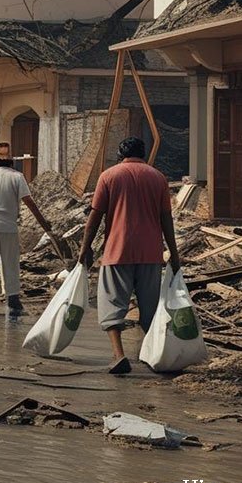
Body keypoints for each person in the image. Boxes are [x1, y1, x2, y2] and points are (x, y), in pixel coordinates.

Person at [77, 137, 182, 375]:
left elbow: (95, 217)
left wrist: (85, 248)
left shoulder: (109, 176)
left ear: (120, 154)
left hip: (118, 250)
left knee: (112, 303)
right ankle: (153, 354)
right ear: (143, 153)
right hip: (150, 252)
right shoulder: (158, 178)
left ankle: (118, 355)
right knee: (150, 307)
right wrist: (174, 254)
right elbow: (166, 218)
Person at [0, 144, 54, 326]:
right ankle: (13, 310)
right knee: (11, 267)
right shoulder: (17, 177)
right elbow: (29, 202)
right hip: (8, 228)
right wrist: (44, 224)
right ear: (12, 163)